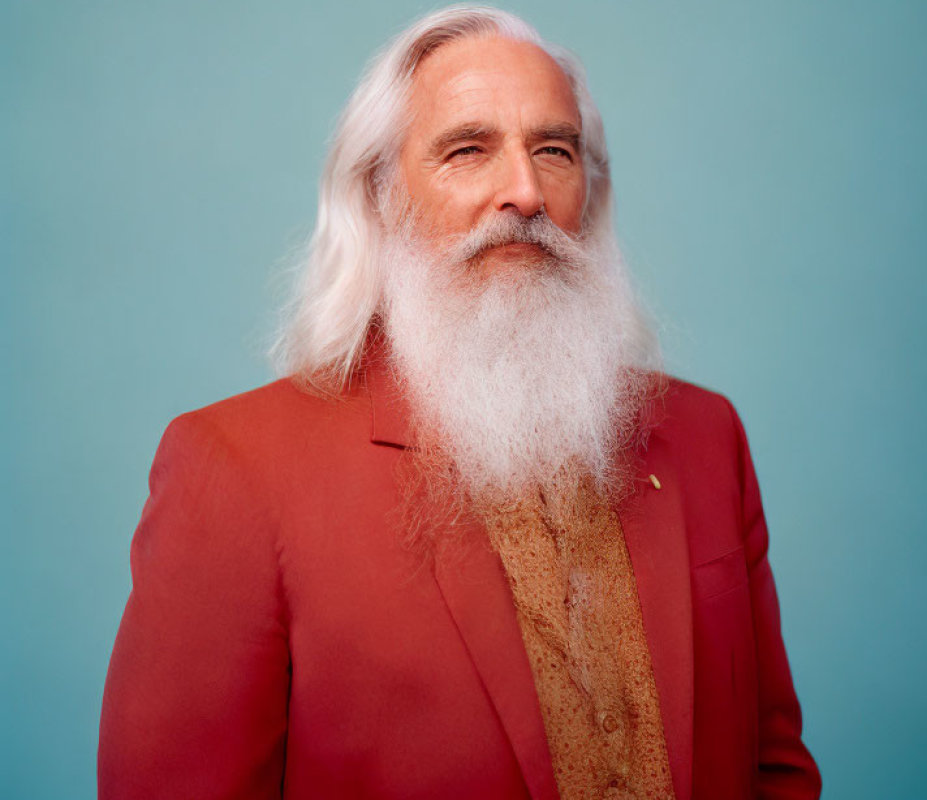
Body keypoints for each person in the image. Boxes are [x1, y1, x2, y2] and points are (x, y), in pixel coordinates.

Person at [98, 6, 821, 799]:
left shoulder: (705, 436)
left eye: (554, 150)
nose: (524, 192)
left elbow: (774, 771)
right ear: (379, 198)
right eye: (467, 150)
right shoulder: (236, 471)